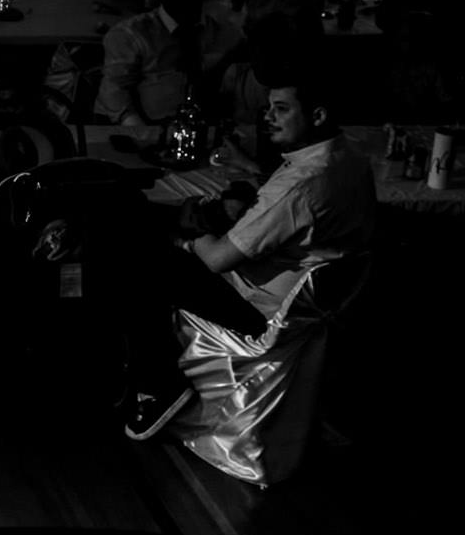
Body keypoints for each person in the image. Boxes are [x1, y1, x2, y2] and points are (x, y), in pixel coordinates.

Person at [123, 60, 376, 440]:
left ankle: (160, 385)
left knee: (144, 262)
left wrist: (188, 234)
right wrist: (249, 169)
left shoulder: (300, 185)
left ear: (318, 115)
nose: (268, 117)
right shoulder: (351, 156)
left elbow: (217, 260)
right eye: (269, 107)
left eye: (282, 109)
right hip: (327, 299)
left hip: (266, 311)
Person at [95, 0, 209, 127]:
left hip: (201, 124)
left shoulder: (221, 33)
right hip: (147, 127)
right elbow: (115, 91)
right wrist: (139, 131)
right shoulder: (130, 33)